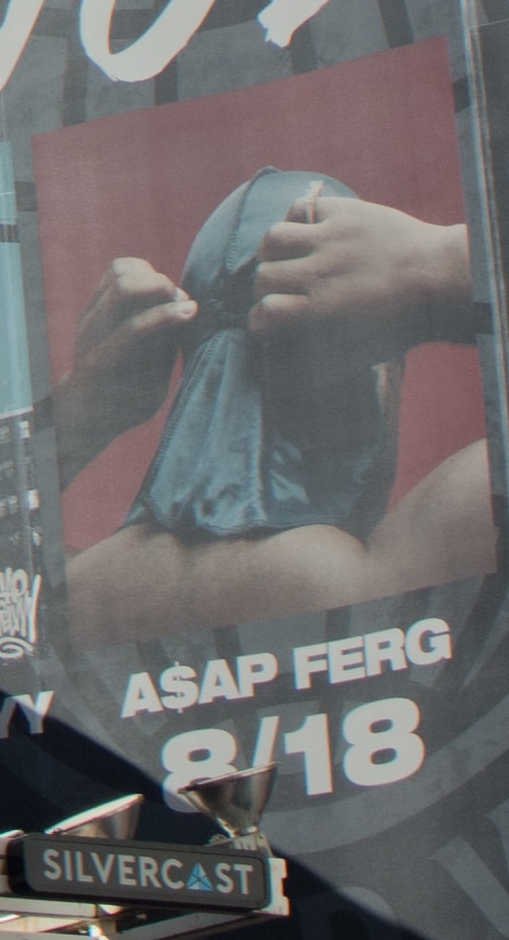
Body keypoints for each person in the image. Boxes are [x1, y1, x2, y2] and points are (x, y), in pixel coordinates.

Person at [53, 172, 495, 651]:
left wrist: (79, 410)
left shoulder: (61, 597)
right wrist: (441, 264)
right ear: (382, 376)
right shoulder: (411, 563)